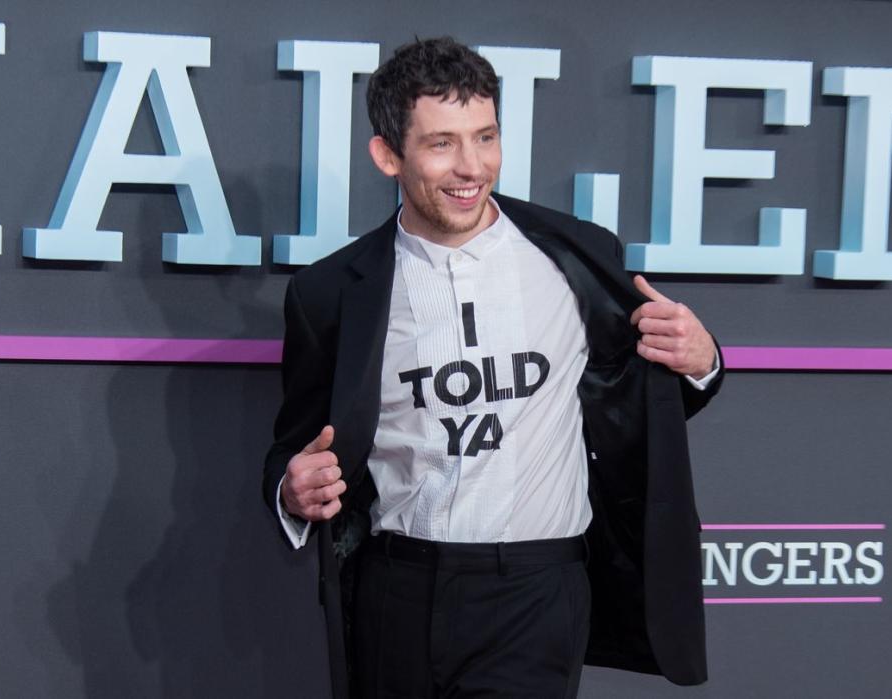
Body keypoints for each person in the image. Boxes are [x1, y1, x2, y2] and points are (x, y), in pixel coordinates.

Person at [264, 37, 722, 698]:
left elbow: (642, 401)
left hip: (537, 592)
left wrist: (702, 360)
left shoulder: (577, 256)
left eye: (486, 137)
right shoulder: (330, 293)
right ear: (387, 153)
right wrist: (291, 489)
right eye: (441, 143)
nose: (471, 167)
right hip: (397, 589)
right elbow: (296, 444)